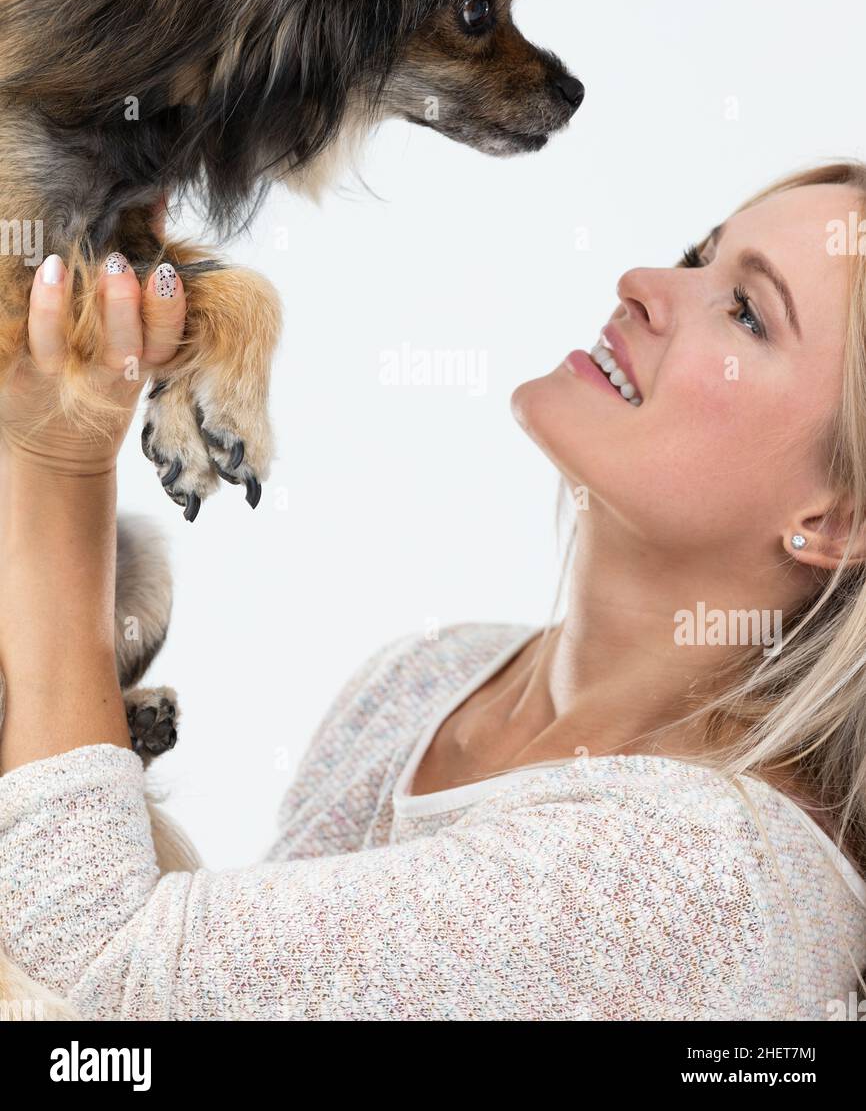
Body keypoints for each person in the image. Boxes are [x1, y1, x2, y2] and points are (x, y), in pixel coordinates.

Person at [1, 161, 865, 1022]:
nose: (643, 285)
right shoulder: (433, 680)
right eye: (696, 255)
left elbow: (105, 985)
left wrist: (58, 460)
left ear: (837, 519)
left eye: (748, 313)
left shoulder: (702, 882)